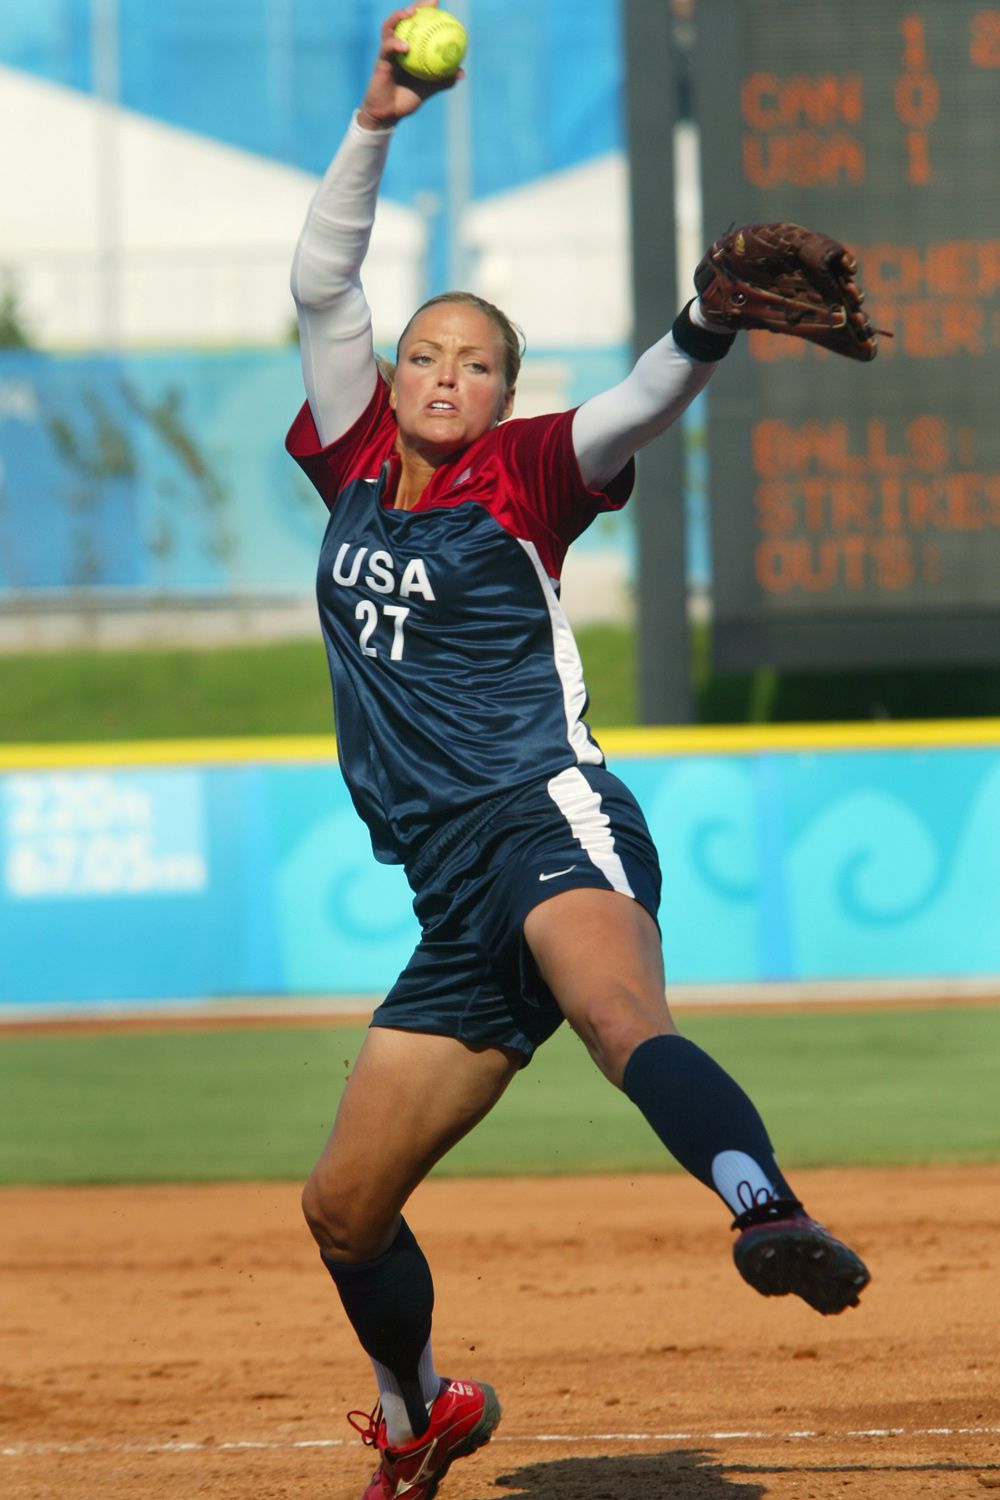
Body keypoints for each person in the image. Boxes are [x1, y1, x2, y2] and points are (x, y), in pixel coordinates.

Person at [285, 7, 870, 1498]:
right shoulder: (350, 462)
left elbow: (640, 403)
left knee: (620, 1019)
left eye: (476, 364)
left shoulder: (530, 474)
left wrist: (708, 323)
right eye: (427, 354)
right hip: (447, 901)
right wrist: (375, 121)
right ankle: (421, 1413)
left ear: (499, 392)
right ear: (394, 374)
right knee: (344, 1210)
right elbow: (319, 281)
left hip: (550, 819)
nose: (443, 376)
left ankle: (763, 1210)